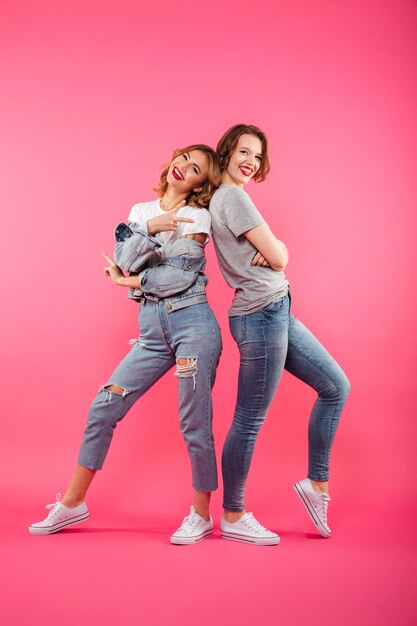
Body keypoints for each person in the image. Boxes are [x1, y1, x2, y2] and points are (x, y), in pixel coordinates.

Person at [29, 144, 222, 545]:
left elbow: (178, 275)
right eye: (183, 158)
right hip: (152, 331)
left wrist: (126, 279)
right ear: (172, 162)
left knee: (194, 421)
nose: (184, 167)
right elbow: (126, 254)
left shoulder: (197, 216)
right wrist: (149, 233)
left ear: (202, 183)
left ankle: (200, 515)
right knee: (104, 405)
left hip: (193, 326)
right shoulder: (139, 213)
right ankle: (73, 502)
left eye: (196, 168)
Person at [209, 124, 350, 545]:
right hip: (261, 315)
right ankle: (233, 514)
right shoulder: (232, 197)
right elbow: (280, 255)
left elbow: (276, 254)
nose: (250, 162)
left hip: (275, 310)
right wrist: (278, 249)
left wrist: (275, 249)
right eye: (243, 152)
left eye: (257, 155)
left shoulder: (231, 198)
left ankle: (316, 484)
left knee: (335, 387)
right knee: (249, 420)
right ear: (227, 153)